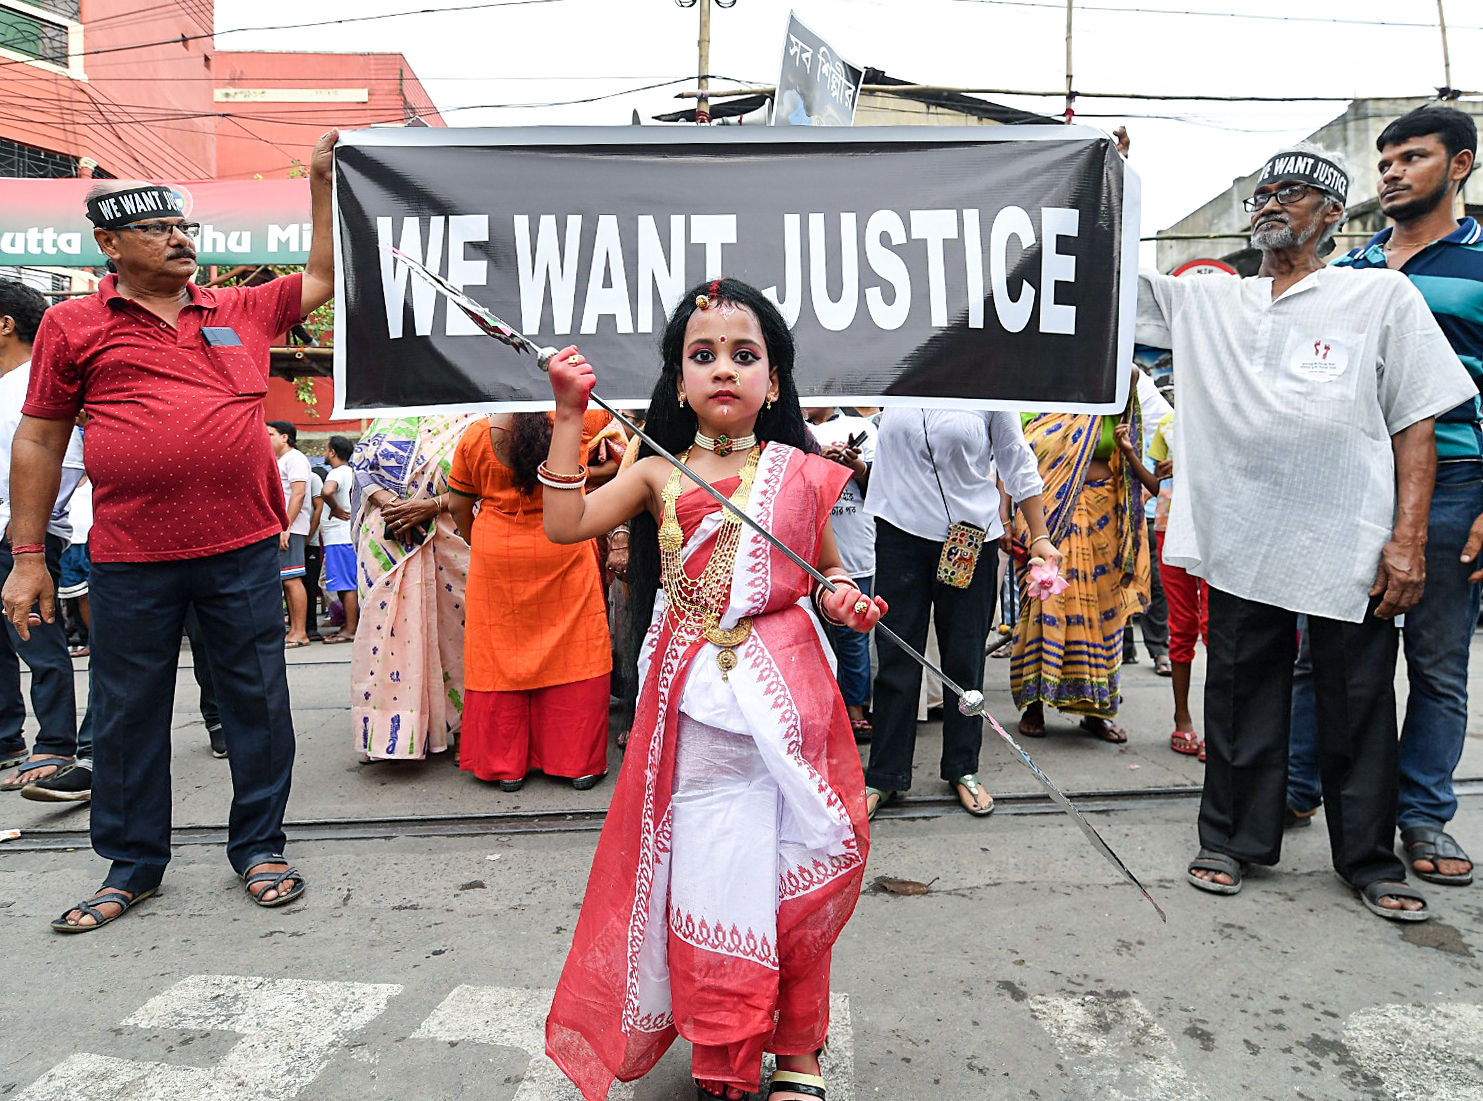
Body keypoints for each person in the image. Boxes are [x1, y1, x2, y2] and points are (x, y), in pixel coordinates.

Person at [541, 278, 886, 1101]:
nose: (723, 369)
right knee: (712, 869)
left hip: (789, 695)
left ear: (774, 378)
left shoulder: (801, 473)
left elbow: (825, 567)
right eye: (703, 356)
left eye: (744, 355)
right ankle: (727, 1052)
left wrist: (841, 594)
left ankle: (797, 1049)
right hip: (692, 704)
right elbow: (563, 526)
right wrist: (565, 414)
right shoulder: (656, 471)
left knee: (790, 861)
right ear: (677, 379)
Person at [2, 130, 339, 931]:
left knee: (257, 703)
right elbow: (41, 436)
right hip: (129, 557)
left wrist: (321, 181)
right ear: (109, 245)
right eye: (156, 229)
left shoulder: (242, 306)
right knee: (126, 714)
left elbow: (325, 275)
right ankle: (132, 864)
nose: (180, 239)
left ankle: (259, 846)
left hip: (243, 548)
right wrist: (26, 557)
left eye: (184, 227)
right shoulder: (72, 325)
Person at [1137, 141, 1476, 922]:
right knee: (1237, 691)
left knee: (1357, 698)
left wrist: (1406, 539)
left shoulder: (1377, 298)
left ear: (1331, 215)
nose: (1269, 203)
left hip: (1347, 540)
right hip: (1241, 537)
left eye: (1292, 193)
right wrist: (1104, 176)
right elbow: (1111, 281)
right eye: (1263, 192)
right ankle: (1230, 838)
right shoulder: (1209, 301)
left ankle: (1366, 856)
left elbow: (1415, 424)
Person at [1284, 107, 1483, 889]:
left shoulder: (1478, 262)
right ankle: (1294, 788)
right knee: (1320, 656)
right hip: (1351, 484)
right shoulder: (1352, 268)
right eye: (1385, 161)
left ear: (1459, 164)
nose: (1393, 171)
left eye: (1413, 157)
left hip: (1457, 485)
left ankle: (1423, 811)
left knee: (1436, 667)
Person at [865, 408, 1054, 818]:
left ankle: (963, 768)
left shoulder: (987, 383)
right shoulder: (893, 372)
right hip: (899, 535)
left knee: (964, 661)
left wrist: (1038, 535)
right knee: (896, 661)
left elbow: (1015, 457)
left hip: (970, 538)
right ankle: (884, 775)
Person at [446, 411, 623, 791]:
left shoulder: (477, 434)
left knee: (498, 653)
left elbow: (459, 504)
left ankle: (505, 766)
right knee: (576, 649)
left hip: (497, 552)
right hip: (563, 543)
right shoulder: (582, 421)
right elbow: (622, 456)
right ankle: (578, 763)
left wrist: (477, 541)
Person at [1011, 398, 1150, 745]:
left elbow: (1128, 454)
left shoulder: (1110, 398)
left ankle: (1097, 711)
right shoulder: (1030, 398)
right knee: (1046, 603)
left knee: (1104, 613)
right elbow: (1010, 463)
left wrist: (1119, 376)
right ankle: (1034, 705)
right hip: (1047, 514)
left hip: (1104, 517)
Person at [349, 413, 480, 761]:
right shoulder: (388, 418)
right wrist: (393, 506)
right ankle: (394, 733)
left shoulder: (478, 416)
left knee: (460, 634)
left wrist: (432, 505)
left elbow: (490, 478)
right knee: (387, 632)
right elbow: (362, 468)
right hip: (387, 539)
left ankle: (467, 725)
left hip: (452, 534)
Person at [0, 279, 87, 793]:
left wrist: (28, 520)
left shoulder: (40, 378)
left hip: (23, 534)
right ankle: (8, 739)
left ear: (5, 323)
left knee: (37, 639)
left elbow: (67, 455)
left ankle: (54, 744)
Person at [805, 405, 877, 740]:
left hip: (854, 546)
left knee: (853, 633)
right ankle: (818, 710)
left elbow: (881, 483)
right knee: (808, 636)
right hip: (805, 550)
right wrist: (818, 460)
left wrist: (855, 465)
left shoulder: (863, 428)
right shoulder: (790, 429)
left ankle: (856, 708)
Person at [1143, 394, 1207, 757]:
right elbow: (1157, 484)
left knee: (1217, 628)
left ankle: (1218, 725)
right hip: (1171, 527)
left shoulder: (1225, 416)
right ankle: (1182, 717)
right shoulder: (1168, 426)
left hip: (1214, 526)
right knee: (1182, 624)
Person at [267, 420, 313, 648]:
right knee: (287, 579)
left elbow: (299, 492)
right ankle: (294, 630)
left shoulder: (294, 458)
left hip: (290, 527)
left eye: (271, 434)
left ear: (285, 437)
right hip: (284, 527)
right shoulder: (280, 460)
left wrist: (286, 526)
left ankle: (300, 632)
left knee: (292, 579)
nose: (267, 439)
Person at [318, 435, 358, 643]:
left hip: (339, 536)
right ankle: (349, 625)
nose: (324, 453)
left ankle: (350, 629)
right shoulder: (351, 472)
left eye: (326, 450)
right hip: (344, 536)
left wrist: (335, 508)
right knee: (345, 583)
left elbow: (327, 491)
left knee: (346, 584)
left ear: (333, 452)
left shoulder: (337, 472)